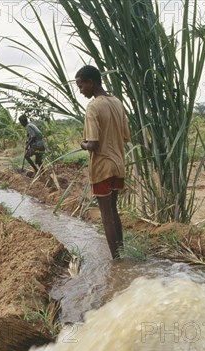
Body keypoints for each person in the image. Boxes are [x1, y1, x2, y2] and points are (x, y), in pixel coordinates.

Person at [75, 65, 130, 259]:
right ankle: (121, 254)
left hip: (102, 167)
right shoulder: (117, 102)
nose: (80, 91)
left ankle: (116, 262)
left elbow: (94, 144)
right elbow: (125, 136)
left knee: (106, 215)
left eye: (81, 86)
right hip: (118, 164)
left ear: (91, 83)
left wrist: (83, 144)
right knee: (113, 211)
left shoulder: (93, 106)